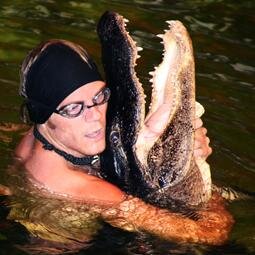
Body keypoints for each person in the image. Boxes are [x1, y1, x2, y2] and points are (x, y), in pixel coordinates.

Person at [7, 39, 233, 252]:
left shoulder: (36, 137)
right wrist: (202, 179)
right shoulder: (83, 189)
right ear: (43, 116)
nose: (95, 116)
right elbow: (210, 234)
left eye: (99, 97)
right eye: (74, 108)